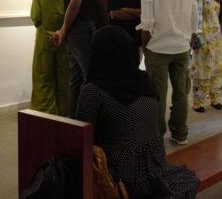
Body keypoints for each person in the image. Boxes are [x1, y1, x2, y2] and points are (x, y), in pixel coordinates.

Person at [77, 26, 199, 198]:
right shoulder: (144, 81)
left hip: (121, 173)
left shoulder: (93, 91)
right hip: (155, 167)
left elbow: (82, 140)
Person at [139, 0, 199, 145]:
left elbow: (147, 24)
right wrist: (187, 42)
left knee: (157, 94)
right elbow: (194, 21)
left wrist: (145, 47)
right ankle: (180, 133)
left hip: (158, 49)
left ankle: (156, 136)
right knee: (181, 93)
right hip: (182, 48)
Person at [51, 0, 108, 118]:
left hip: (76, 30)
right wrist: (64, 30)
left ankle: (75, 120)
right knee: (90, 74)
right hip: (81, 29)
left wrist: (65, 30)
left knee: (76, 77)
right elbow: (74, 4)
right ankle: (88, 120)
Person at [29, 0, 69, 116]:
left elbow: (35, 18)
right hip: (63, 39)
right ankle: (64, 114)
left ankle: (46, 114)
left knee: (43, 78)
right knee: (64, 79)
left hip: (44, 41)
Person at [191, 0, 222, 112]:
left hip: (216, 39)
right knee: (202, 70)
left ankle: (215, 99)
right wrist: (199, 37)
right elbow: (197, 17)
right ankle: (198, 102)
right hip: (205, 39)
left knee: (216, 69)